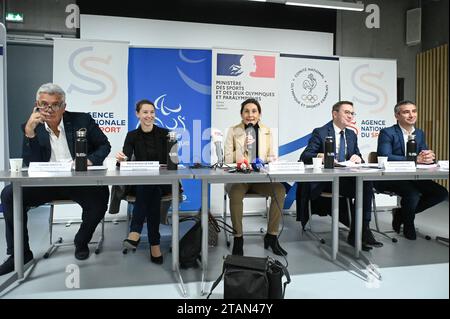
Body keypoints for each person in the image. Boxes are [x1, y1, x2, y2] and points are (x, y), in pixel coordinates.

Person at [0, 83, 111, 276]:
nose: (49, 109)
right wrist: (30, 133)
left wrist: (90, 160)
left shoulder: (82, 120)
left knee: (100, 198)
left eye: (55, 104)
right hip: (45, 183)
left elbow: (104, 145)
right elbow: (30, 164)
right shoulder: (30, 127)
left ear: (64, 106)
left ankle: (81, 240)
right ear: (37, 105)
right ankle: (20, 254)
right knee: (9, 194)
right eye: (44, 104)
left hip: (78, 180)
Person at [297, 101, 383, 251]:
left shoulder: (351, 134)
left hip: (346, 178)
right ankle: (361, 233)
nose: (350, 116)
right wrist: (321, 155)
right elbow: (305, 156)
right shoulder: (321, 132)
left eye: (352, 113)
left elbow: (358, 157)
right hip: (327, 180)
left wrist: (358, 158)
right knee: (363, 186)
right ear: (335, 114)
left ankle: (361, 230)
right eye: (347, 112)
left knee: (367, 183)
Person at [376, 100, 448, 240]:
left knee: (441, 193)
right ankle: (408, 223)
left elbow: (423, 154)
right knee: (412, 194)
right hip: (391, 177)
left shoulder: (419, 133)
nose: (411, 115)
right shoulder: (387, 132)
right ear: (397, 116)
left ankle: (402, 214)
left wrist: (429, 157)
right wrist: (415, 160)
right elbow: (384, 156)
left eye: (414, 111)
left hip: (414, 177)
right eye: (406, 112)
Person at [224, 98, 287, 256]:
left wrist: (272, 158)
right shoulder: (233, 130)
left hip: (260, 178)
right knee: (236, 193)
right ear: (241, 114)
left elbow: (270, 154)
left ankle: (271, 236)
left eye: (254, 111)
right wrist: (243, 147)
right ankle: (238, 238)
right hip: (239, 178)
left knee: (279, 190)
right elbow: (226, 159)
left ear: (259, 114)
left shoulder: (266, 131)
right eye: (246, 111)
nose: (250, 115)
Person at [117, 99, 174, 265]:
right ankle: (154, 243)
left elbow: (171, 161)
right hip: (141, 183)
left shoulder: (165, 133)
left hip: (163, 182)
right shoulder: (132, 135)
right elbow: (125, 160)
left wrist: (174, 153)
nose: (149, 116)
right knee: (150, 189)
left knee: (151, 187)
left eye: (152, 112)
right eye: (145, 112)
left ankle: (135, 232)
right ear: (138, 114)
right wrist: (121, 159)